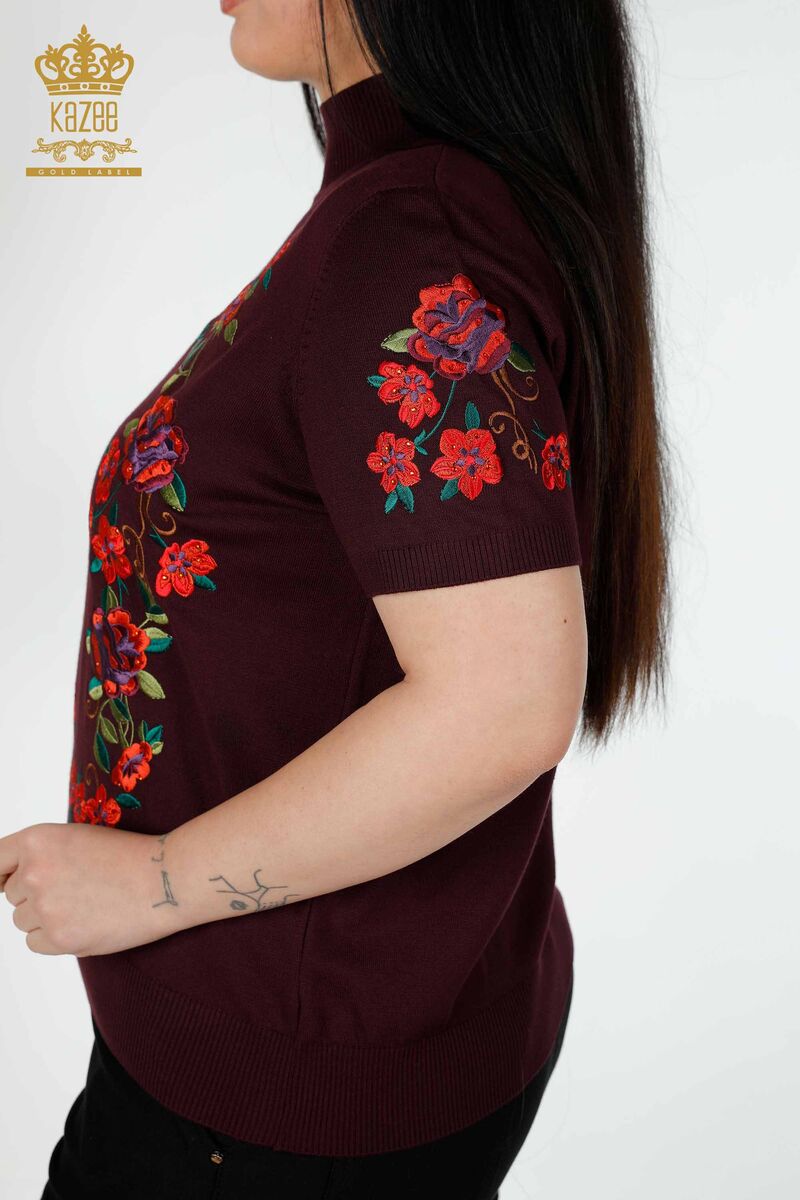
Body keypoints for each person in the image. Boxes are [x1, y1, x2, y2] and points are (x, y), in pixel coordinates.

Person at [1, 2, 672, 1197]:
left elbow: (501, 705)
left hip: (276, 1104)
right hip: (333, 1040)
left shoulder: (410, 243)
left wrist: (150, 884)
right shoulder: (418, 208)